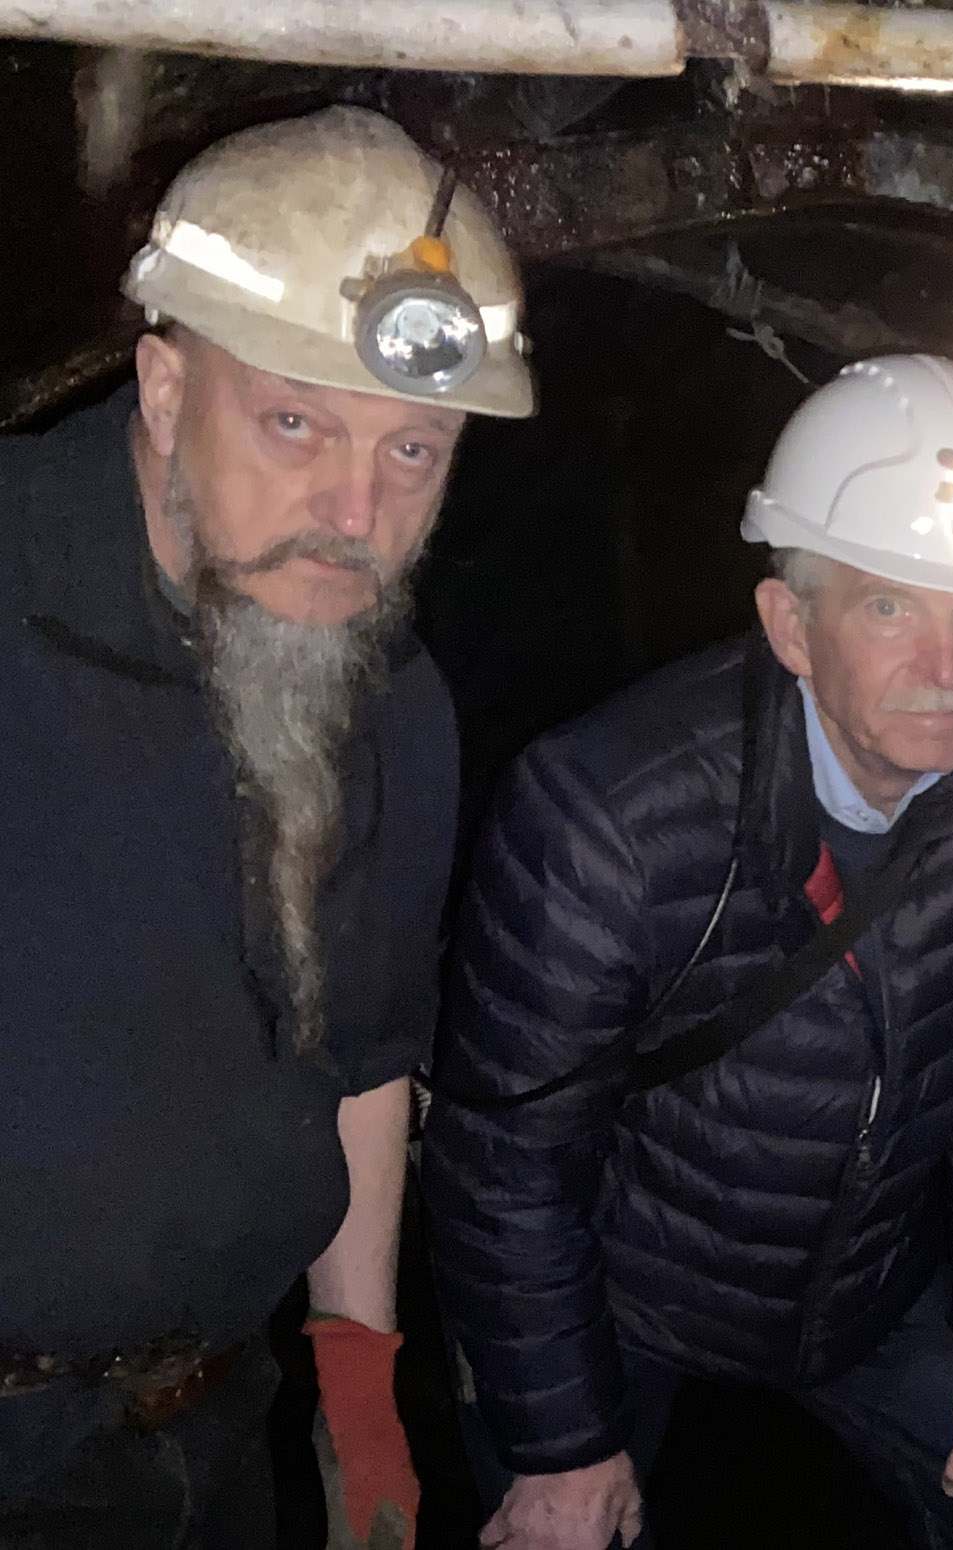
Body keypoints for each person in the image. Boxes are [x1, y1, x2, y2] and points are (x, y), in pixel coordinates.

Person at [422, 354, 953, 1550]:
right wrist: (563, 1445)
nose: (950, 668)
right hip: (620, 1279)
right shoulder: (605, 813)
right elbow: (506, 1163)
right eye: (892, 605)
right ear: (792, 624)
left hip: (871, 1278)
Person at [0, 106, 532, 1550]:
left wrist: (357, 1382)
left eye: (413, 451)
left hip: (210, 1436)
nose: (352, 509)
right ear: (166, 391)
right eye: (293, 422)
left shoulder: (390, 700)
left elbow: (362, 1056)